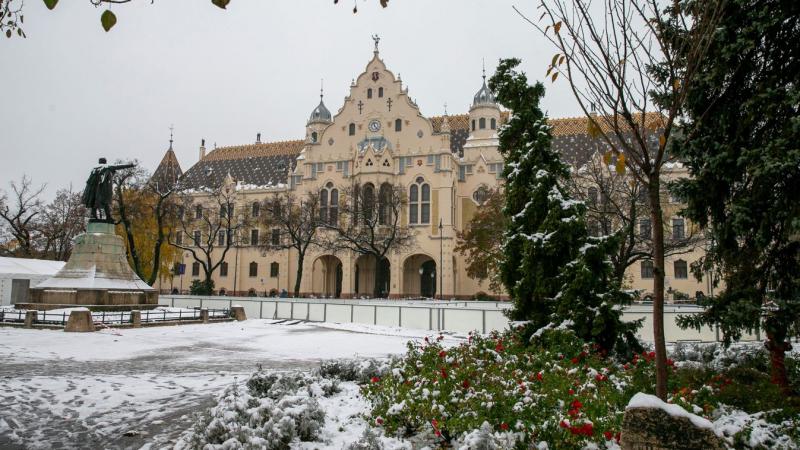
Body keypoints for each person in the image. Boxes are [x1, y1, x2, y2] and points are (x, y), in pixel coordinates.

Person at [81, 158, 135, 222]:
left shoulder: (94, 169)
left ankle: (94, 215)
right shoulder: (106, 167)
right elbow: (119, 166)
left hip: (92, 190)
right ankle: (107, 216)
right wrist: (131, 165)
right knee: (104, 202)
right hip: (101, 189)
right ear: (105, 162)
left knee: (94, 201)